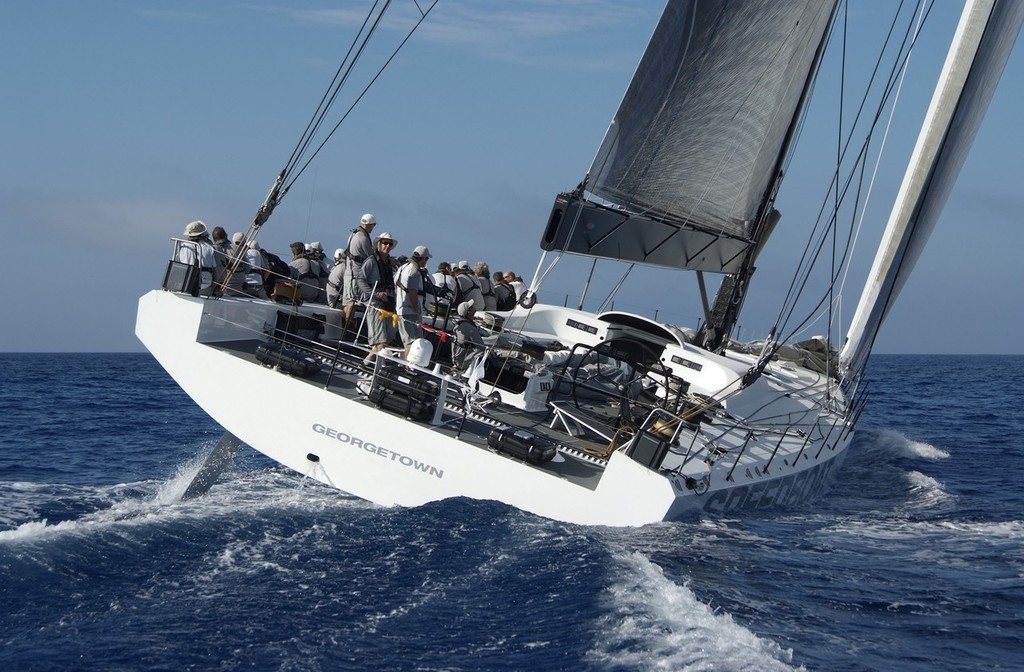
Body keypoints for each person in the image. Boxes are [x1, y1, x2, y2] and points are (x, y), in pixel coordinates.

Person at [355, 232, 399, 364]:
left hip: (389, 303)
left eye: (390, 244)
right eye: (385, 243)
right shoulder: (371, 261)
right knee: (381, 339)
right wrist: (375, 294)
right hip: (376, 302)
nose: (387, 246)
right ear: (378, 244)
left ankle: (366, 362)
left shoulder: (388, 263)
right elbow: (360, 279)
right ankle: (380, 366)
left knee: (389, 336)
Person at [395, 245, 431, 358]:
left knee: (412, 342)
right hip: (410, 311)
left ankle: (408, 365)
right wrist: (416, 307)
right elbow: (413, 291)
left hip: (401, 308)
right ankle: (407, 367)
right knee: (412, 343)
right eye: (427, 259)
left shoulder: (403, 267)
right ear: (423, 258)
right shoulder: (414, 271)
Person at [342, 213, 377, 329]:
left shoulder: (354, 233)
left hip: (349, 271)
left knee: (348, 301)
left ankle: (345, 327)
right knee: (352, 302)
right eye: (373, 225)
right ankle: (348, 328)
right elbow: (371, 257)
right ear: (371, 225)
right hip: (355, 274)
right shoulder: (363, 238)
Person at [176, 220, 218, 296]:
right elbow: (215, 269)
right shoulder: (209, 247)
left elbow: (179, 266)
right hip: (205, 285)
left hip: (186, 284)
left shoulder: (183, 246)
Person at [452, 300, 486, 370]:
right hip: (462, 362)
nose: (475, 309)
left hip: (456, 359)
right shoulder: (470, 328)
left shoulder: (460, 323)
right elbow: (482, 347)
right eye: (472, 307)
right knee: (484, 353)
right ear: (469, 312)